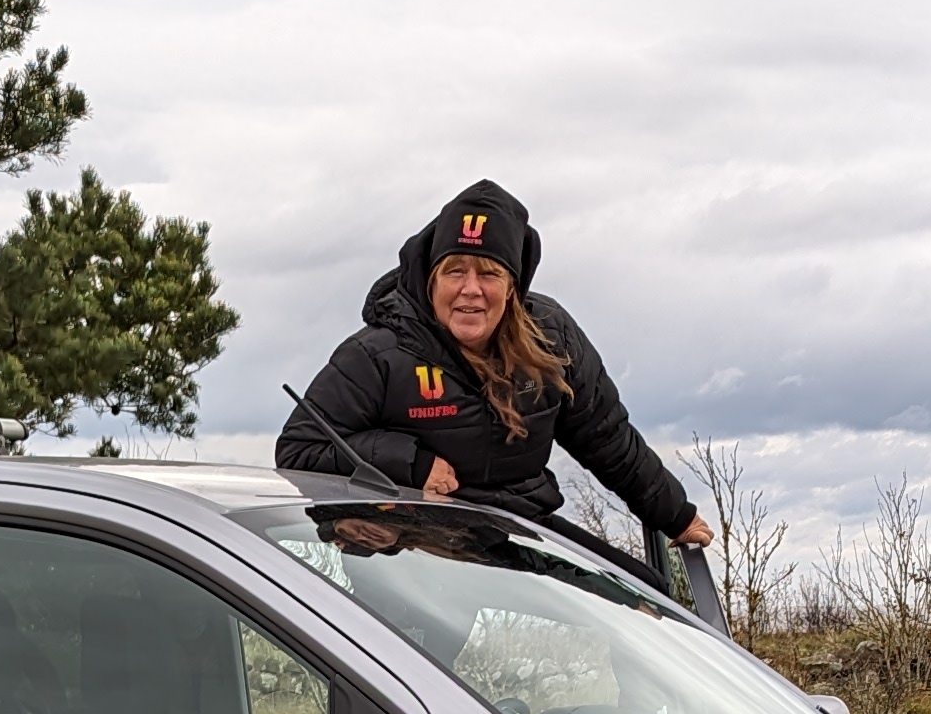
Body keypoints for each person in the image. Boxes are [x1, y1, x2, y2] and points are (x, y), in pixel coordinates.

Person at [277, 178, 711, 554]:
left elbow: (607, 438)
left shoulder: (551, 336)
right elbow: (298, 451)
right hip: (419, 544)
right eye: (455, 271)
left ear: (513, 286)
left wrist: (677, 517)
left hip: (522, 530)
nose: (470, 290)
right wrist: (408, 464)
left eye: (489, 273)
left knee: (642, 606)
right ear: (430, 279)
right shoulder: (377, 354)